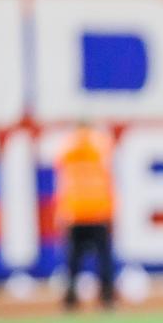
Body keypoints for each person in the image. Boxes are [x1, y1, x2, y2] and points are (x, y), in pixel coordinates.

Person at [54, 122, 117, 310]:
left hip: (75, 211)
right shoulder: (101, 144)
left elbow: (63, 179)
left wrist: (62, 212)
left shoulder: (67, 147)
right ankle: (107, 298)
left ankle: (71, 300)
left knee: (73, 259)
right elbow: (107, 178)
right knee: (103, 258)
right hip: (98, 210)